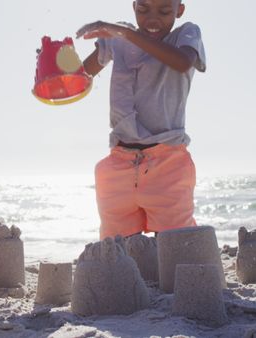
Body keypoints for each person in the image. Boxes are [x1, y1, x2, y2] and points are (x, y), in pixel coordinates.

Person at [75, 0, 206, 240]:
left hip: (169, 163)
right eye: (143, 10)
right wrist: (52, 69)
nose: (152, 19)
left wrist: (126, 33)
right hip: (119, 164)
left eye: (164, 11)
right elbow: (78, 78)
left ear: (180, 10)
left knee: (176, 249)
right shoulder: (117, 37)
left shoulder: (186, 34)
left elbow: (182, 62)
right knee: (118, 254)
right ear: (133, 6)